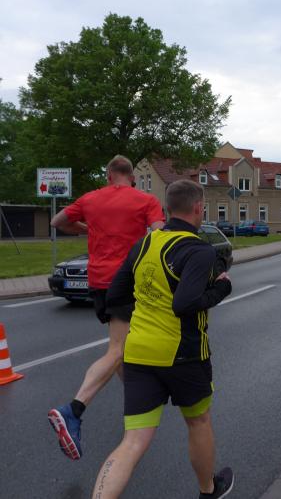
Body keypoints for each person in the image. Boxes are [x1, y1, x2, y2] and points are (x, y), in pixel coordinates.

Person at [91, 179, 234, 499]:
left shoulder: (144, 244)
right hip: (184, 354)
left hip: (139, 353)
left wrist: (148, 308)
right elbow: (185, 304)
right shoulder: (199, 249)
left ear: (168, 208)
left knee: (133, 441)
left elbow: (115, 296)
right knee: (198, 422)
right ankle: (208, 490)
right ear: (198, 208)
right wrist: (221, 289)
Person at [48, 155, 165, 461]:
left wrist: (87, 228)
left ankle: (137, 405)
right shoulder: (145, 200)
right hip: (127, 280)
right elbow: (160, 233)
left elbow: (57, 221)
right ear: (132, 177)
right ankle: (73, 410)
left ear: (109, 175)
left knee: (123, 349)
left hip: (98, 281)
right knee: (117, 350)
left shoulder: (90, 199)